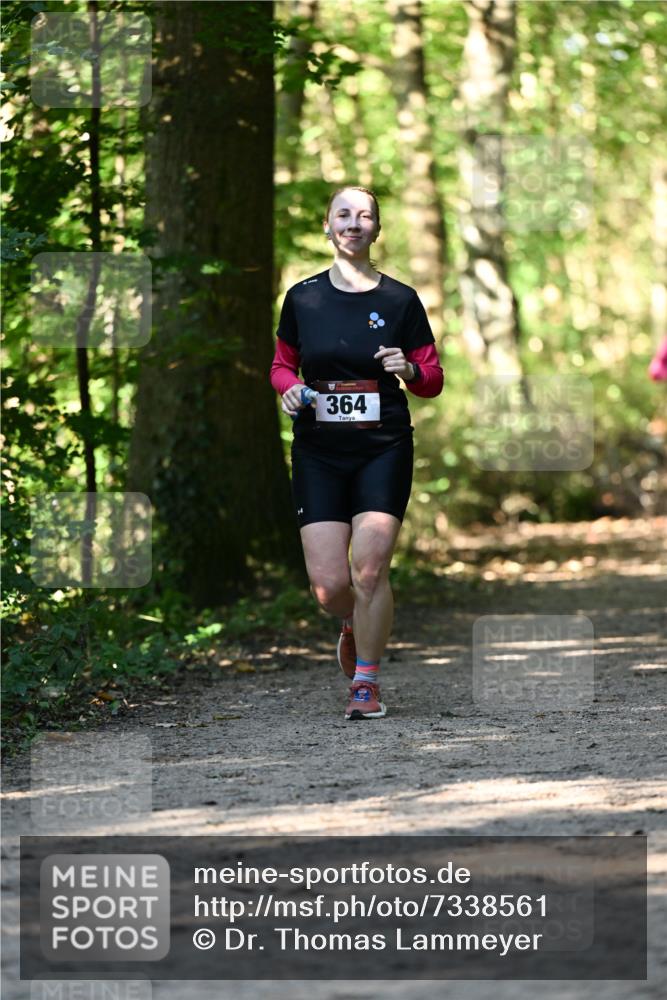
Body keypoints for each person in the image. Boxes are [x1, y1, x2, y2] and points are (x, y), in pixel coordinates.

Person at [269, 185, 444, 720]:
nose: (353, 223)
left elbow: (433, 379)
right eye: (342, 215)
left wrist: (409, 370)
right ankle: (351, 623)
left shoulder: (400, 300)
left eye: (364, 215)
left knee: (370, 572)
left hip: (382, 447)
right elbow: (281, 365)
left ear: (376, 229)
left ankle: (365, 684)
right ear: (327, 227)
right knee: (330, 586)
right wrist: (288, 390)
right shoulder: (303, 297)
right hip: (319, 450)